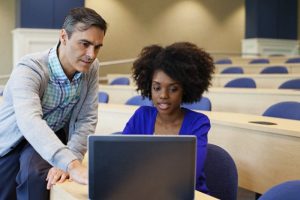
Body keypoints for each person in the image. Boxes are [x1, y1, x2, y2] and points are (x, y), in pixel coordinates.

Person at [0, 7, 107, 200]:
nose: (91, 54)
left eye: (97, 46)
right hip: (14, 137)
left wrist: (69, 160)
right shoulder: (30, 67)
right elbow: (30, 121)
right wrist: (72, 164)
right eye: (85, 44)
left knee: (35, 177)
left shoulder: (91, 67)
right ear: (64, 36)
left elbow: (87, 118)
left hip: (53, 133)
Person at [122, 42, 215, 193]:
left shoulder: (198, 123)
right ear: (148, 87)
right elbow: (121, 159)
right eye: (157, 88)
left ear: (185, 89)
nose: (163, 95)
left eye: (173, 89)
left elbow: (189, 174)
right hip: (143, 192)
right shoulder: (141, 116)